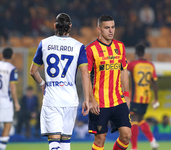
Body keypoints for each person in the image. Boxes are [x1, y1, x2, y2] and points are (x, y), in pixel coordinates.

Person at [30, 13, 90, 150]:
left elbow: (33, 71)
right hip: (70, 99)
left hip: (52, 98)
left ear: (54, 26)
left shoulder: (44, 44)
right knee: (65, 143)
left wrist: (42, 84)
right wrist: (86, 99)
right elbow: (85, 73)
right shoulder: (78, 46)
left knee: (54, 142)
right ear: (70, 27)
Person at [86, 15, 131, 150]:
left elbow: (123, 71)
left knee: (126, 136)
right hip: (99, 102)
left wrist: (126, 93)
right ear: (99, 29)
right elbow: (86, 76)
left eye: (113, 27)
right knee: (100, 139)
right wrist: (91, 99)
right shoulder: (91, 49)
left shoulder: (120, 46)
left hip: (118, 99)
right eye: (107, 28)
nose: (111, 31)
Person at [127, 43, 159, 150]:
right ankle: (153, 141)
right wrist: (156, 98)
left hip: (136, 97)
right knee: (140, 119)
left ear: (136, 53)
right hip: (146, 97)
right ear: (144, 53)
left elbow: (122, 70)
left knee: (134, 120)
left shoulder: (133, 64)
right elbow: (154, 83)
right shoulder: (151, 65)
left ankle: (134, 147)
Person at [0, 47, 20, 150]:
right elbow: (12, 86)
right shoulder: (11, 68)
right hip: (5, 99)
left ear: (1, 55)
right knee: (7, 124)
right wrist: (16, 102)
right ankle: (2, 148)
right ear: (12, 56)